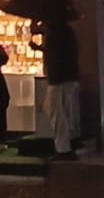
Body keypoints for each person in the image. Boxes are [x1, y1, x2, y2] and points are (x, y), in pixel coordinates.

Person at [30, 15, 81, 159]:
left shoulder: (55, 34)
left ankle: (63, 148)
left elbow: (35, 31)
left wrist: (33, 16)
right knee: (62, 110)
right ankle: (67, 145)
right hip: (67, 77)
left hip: (58, 79)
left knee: (54, 110)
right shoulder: (65, 32)